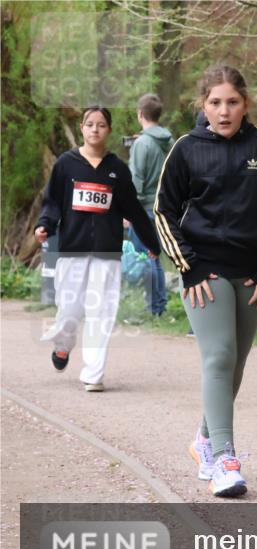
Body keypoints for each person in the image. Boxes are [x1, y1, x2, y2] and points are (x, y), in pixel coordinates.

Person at [154, 65, 257, 497]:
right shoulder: (186, 150)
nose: (224, 110)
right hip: (205, 271)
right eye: (215, 102)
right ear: (203, 106)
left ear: (245, 104)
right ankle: (225, 461)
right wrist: (189, 266)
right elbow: (163, 212)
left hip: (251, 276)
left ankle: (203, 440)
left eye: (232, 102)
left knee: (234, 365)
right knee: (218, 357)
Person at [35, 106, 162, 392]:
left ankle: (93, 374)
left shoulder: (117, 169)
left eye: (101, 125)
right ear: (82, 127)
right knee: (69, 310)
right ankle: (63, 345)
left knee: (101, 311)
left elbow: (134, 209)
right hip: (72, 249)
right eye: (90, 124)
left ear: (109, 130)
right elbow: (52, 202)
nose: (95, 129)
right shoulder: (66, 164)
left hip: (107, 252)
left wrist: (152, 243)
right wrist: (45, 225)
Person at [127, 93, 174, 316]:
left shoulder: (142, 143)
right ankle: (159, 305)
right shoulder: (170, 142)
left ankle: (153, 308)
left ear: (140, 114)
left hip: (144, 208)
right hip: (164, 207)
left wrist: (128, 209)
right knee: (156, 257)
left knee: (145, 257)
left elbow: (136, 179)